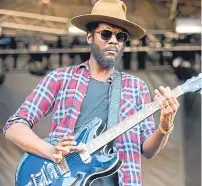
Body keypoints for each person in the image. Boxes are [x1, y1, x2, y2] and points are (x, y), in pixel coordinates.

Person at [3, 0, 179, 185]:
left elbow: (148, 150)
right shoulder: (60, 78)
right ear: (89, 37)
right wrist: (50, 150)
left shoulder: (137, 87)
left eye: (120, 37)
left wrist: (165, 127)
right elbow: (14, 127)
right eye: (106, 33)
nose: (113, 40)